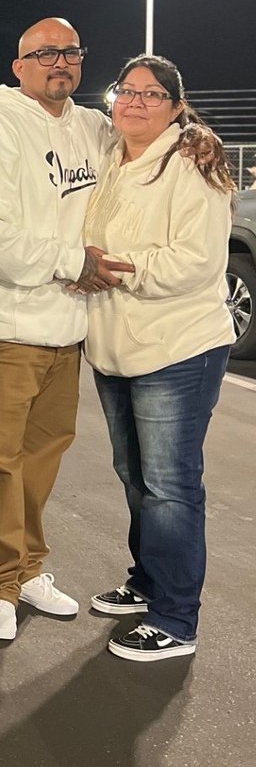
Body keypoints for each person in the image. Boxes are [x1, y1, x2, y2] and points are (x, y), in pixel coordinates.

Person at [0, 17, 128, 641]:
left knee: (42, 459)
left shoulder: (91, 127)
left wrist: (194, 139)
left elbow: (144, 139)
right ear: (18, 65)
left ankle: (26, 569)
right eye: (46, 53)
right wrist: (75, 261)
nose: (61, 62)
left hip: (62, 330)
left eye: (71, 52)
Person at [81, 55, 235, 662]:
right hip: (117, 349)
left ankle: (175, 619)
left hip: (178, 348)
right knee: (135, 475)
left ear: (176, 107)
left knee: (170, 486)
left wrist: (117, 270)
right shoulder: (111, 159)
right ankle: (147, 582)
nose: (136, 102)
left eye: (153, 94)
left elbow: (197, 261)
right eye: (127, 91)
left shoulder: (192, 164)